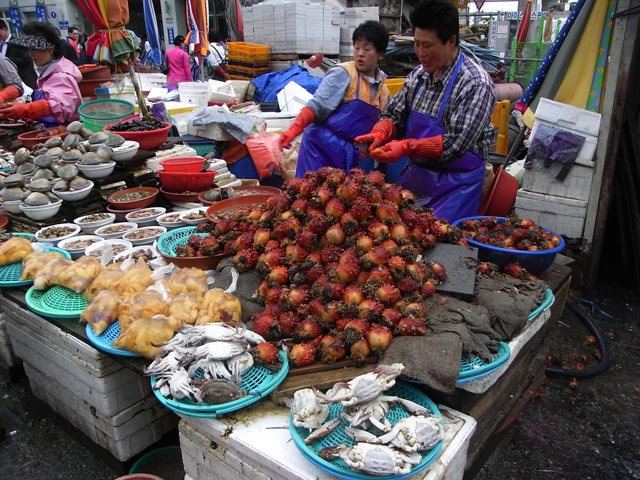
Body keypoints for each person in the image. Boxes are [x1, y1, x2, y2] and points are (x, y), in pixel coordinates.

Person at [355, 0, 496, 222]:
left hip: (456, 186)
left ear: (451, 41)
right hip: (419, 177)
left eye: (427, 46)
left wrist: (407, 146)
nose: (420, 53)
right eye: (417, 44)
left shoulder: (475, 83)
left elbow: (454, 144)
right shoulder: (418, 76)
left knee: (440, 243)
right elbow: (395, 114)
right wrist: (380, 132)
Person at [279, 21, 391, 177]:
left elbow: (385, 125)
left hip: (350, 156)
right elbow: (317, 106)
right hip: (320, 150)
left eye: (367, 49)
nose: (360, 53)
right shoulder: (343, 74)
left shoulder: (383, 91)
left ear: (380, 54)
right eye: (357, 48)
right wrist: (293, 130)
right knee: (312, 194)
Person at [0, 22, 82, 125]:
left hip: (65, 129)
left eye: (36, 49)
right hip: (50, 126)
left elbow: (61, 105)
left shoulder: (60, 75)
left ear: (51, 50)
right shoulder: (48, 72)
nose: (31, 54)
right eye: (30, 50)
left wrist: (27, 109)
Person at [0, 20, 37, 91]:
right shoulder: (1, 45)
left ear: (4, 29)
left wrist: (5, 60)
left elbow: (26, 60)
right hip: (9, 84)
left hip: (25, 81)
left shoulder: (18, 43)